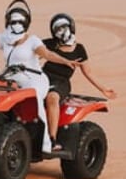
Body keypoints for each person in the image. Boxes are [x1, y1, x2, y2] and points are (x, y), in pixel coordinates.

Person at [0, 0, 82, 155]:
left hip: (33, 79)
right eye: (14, 21)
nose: (17, 24)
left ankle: (48, 141)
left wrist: (65, 61)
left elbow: (47, 54)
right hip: (11, 78)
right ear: (8, 21)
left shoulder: (33, 41)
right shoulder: (5, 40)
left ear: (26, 22)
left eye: (20, 21)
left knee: (34, 98)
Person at [42, 13, 117, 151]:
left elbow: (88, 72)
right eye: (57, 29)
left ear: (71, 27)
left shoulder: (79, 50)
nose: (61, 31)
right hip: (42, 77)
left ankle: (51, 139)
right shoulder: (50, 44)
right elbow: (31, 47)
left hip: (60, 82)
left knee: (52, 98)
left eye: (64, 27)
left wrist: (103, 89)